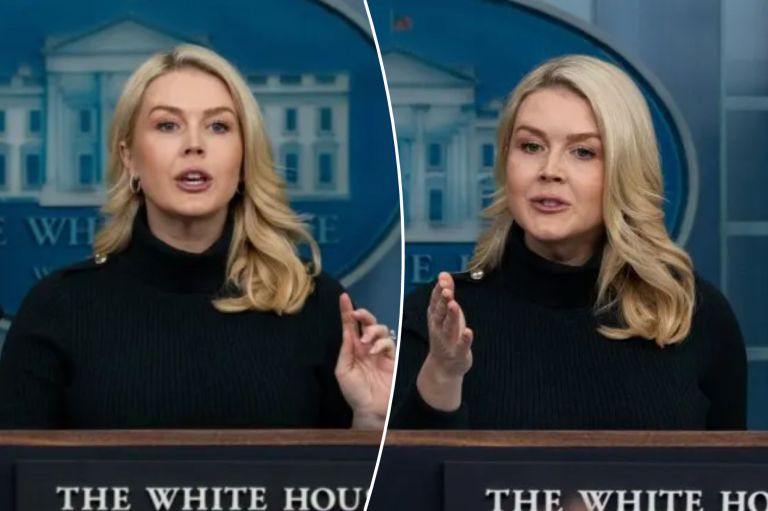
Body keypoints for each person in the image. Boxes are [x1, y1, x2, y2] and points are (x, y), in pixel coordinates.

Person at [0, 44, 394, 429]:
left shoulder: (315, 305)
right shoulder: (58, 308)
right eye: (167, 125)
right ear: (129, 158)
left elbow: (353, 490)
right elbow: (18, 483)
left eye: (218, 126)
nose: (194, 144)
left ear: (243, 158)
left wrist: (372, 420)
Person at [391, 55, 746, 430]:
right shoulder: (440, 320)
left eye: (583, 152)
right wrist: (444, 376)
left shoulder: (693, 316)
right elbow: (409, 482)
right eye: (531, 146)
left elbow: (730, 482)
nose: (550, 171)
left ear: (624, 169)